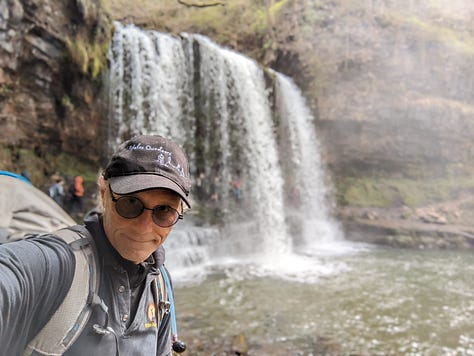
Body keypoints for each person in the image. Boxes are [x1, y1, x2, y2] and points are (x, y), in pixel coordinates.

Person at [0, 134, 192, 355]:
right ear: (104, 194)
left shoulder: (160, 285)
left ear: (179, 213)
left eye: (164, 211)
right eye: (130, 203)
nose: (144, 227)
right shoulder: (57, 264)